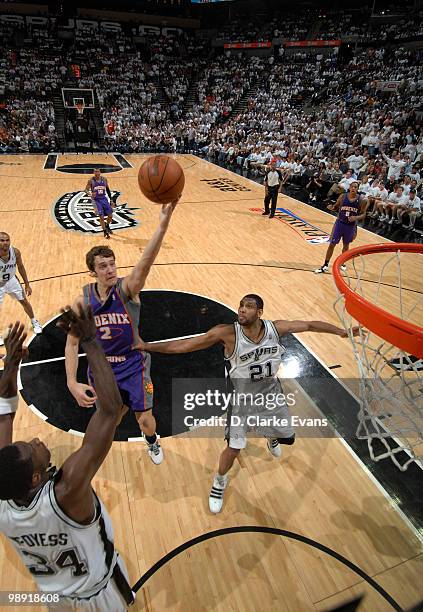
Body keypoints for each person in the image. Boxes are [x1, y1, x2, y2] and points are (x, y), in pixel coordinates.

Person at [137, 294, 359, 513]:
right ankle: (219, 482)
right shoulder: (228, 334)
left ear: (259, 313)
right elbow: (186, 346)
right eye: (241, 305)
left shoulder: (276, 329)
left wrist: (341, 332)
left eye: (249, 306)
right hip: (240, 400)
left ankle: (270, 435)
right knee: (234, 447)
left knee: (288, 438)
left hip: (270, 394)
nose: (242, 309)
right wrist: (148, 347)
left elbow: (310, 324)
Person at [0, 306, 135, 610]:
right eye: (33, 449)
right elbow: (111, 410)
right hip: (98, 597)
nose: (36, 440)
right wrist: (89, 340)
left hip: (56, 600)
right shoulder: (67, 490)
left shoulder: (4, 492)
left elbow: (3, 415)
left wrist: (10, 366)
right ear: (36, 478)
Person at [65, 200, 179, 465]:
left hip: (134, 365)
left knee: (146, 420)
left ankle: (152, 441)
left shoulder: (127, 290)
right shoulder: (82, 302)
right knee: (111, 420)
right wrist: (71, 382)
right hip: (102, 371)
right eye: (103, 266)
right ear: (91, 271)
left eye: (112, 264)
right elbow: (72, 345)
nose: (110, 270)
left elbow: (145, 262)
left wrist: (163, 224)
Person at [314, 182, 368, 274]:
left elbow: (363, 214)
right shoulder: (343, 197)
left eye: (356, 187)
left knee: (346, 245)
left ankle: (343, 263)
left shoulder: (361, 200)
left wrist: (356, 218)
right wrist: (331, 207)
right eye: (352, 187)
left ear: (357, 189)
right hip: (340, 223)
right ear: (349, 188)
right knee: (332, 244)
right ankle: (325, 265)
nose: (353, 188)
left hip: (350, 226)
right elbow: (335, 207)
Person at [0, 232, 42, 345]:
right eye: (2, 240)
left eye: (7, 240)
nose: (5, 242)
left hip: (12, 280)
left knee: (24, 301)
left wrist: (27, 284)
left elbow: (21, 267)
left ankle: (34, 322)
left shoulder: (15, 252)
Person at [85, 169, 114, 239]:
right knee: (101, 216)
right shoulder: (91, 180)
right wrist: (90, 194)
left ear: (100, 172)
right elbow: (86, 190)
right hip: (96, 200)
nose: (97, 173)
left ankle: (107, 226)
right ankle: (105, 231)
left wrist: (111, 200)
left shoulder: (104, 179)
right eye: (95, 171)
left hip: (104, 199)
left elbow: (108, 189)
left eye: (98, 171)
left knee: (110, 215)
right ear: (93, 172)